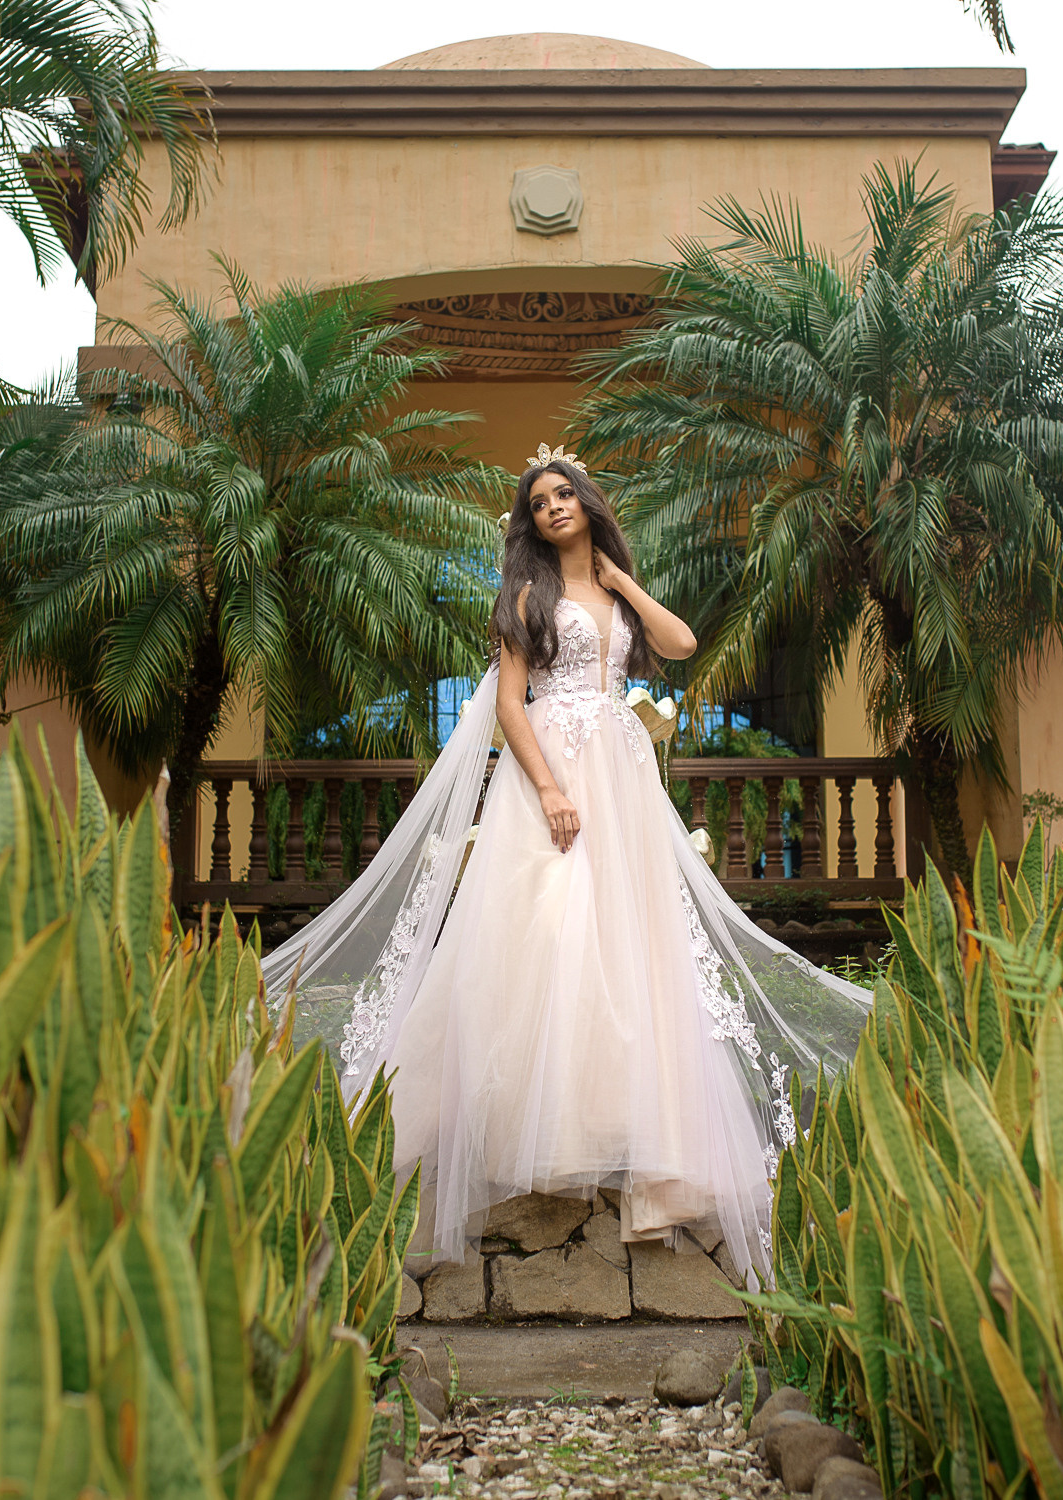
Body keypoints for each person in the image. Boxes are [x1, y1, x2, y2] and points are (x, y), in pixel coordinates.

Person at [263, 447, 870, 1288]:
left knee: (628, 943)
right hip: (551, 771)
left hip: (620, 776)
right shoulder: (526, 596)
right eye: (537, 500)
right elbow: (510, 704)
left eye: (564, 494)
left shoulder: (614, 588)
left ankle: (624, 1128)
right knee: (545, 931)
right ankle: (526, 1131)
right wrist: (547, 788)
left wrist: (621, 584)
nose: (552, 506)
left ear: (587, 503)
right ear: (529, 520)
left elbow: (682, 643)